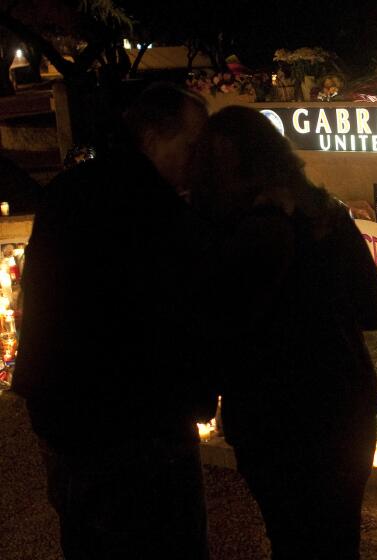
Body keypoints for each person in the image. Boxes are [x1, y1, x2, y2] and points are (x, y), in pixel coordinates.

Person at [13, 83, 216, 560]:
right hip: (136, 430)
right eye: (191, 146)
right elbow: (176, 320)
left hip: (62, 417)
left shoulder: (68, 191)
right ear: (153, 136)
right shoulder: (155, 209)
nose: (196, 161)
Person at [193, 106, 377, 560]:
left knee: (291, 538)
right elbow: (373, 310)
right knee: (339, 539)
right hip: (342, 407)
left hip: (267, 417)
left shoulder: (216, 233)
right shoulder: (327, 219)